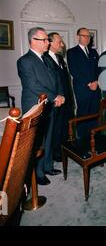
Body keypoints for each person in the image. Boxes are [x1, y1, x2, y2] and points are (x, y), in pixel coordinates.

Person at [17, 27, 64, 185]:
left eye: (48, 39)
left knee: (49, 137)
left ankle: (48, 166)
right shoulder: (25, 61)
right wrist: (54, 96)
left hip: (50, 104)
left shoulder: (46, 59)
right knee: (37, 142)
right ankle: (38, 174)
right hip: (35, 106)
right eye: (44, 40)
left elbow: (56, 79)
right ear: (33, 41)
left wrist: (59, 95)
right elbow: (33, 85)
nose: (47, 42)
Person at [45, 32, 75, 162]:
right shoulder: (45, 59)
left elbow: (65, 80)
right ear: (50, 43)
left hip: (66, 99)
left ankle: (63, 150)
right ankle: (55, 153)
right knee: (55, 128)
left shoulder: (60, 59)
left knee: (64, 126)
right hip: (55, 101)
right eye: (59, 42)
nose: (62, 45)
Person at [67, 28, 101, 140]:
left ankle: (94, 136)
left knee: (95, 112)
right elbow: (74, 71)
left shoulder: (93, 52)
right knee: (83, 113)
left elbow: (98, 69)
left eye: (88, 36)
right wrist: (88, 83)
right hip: (82, 89)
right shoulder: (72, 52)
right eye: (84, 36)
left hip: (95, 88)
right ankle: (82, 138)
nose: (87, 38)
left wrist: (96, 82)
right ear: (78, 37)